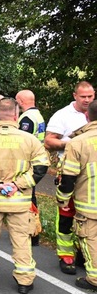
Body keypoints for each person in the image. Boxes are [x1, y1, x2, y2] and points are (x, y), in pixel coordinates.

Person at [0, 97, 49, 294]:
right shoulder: (30, 140)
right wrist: (17, 185)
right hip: (19, 202)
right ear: (16, 115)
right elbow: (40, 168)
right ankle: (24, 281)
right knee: (21, 240)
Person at [45, 81, 95, 274]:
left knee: (90, 217)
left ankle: (86, 254)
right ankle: (66, 256)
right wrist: (72, 144)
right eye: (83, 96)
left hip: (92, 176)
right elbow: (48, 141)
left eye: (90, 96)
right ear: (75, 95)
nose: (87, 100)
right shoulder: (63, 115)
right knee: (66, 215)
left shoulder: (95, 112)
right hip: (68, 172)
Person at [57, 100, 97, 291]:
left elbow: (68, 177)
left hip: (89, 202)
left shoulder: (78, 142)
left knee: (90, 238)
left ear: (87, 116)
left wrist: (62, 198)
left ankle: (94, 278)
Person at [15, 89, 48, 246]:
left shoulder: (27, 118)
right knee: (30, 196)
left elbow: (21, 141)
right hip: (36, 159)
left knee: (27, 197)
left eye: (17, 101)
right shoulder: (38, 115)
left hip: (27, 162)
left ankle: (31, 232)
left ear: (21, 101)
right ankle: (33, 230)